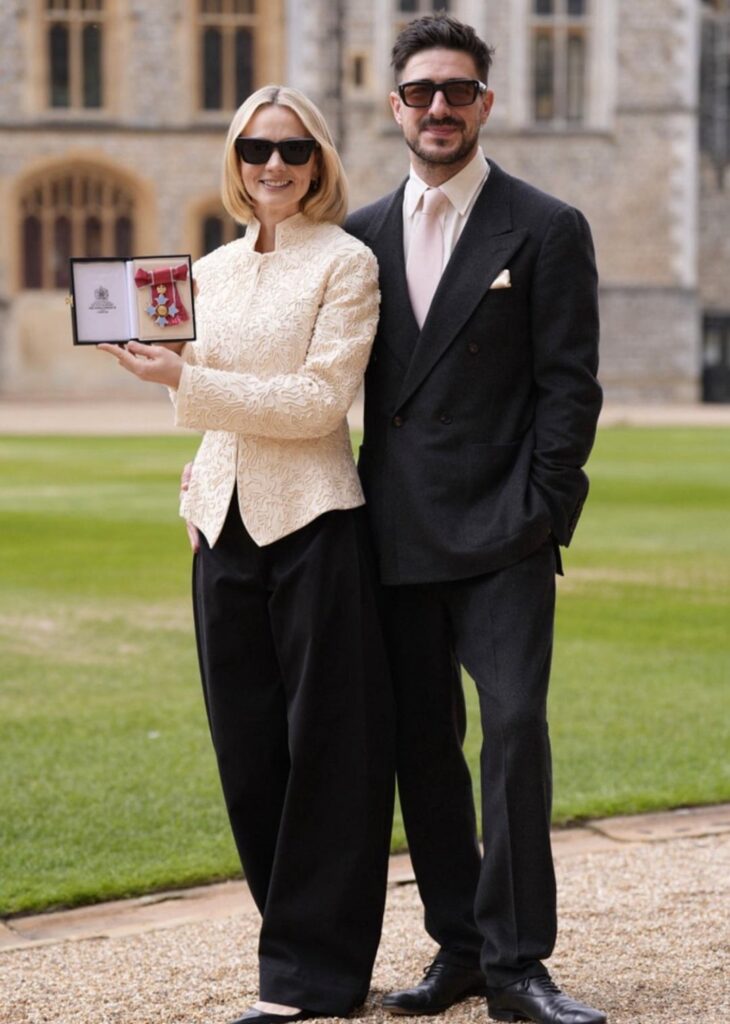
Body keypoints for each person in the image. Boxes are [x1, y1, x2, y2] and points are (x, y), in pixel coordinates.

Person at [99, 84, 395, 1024]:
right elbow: (206, 403)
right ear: (235, 158)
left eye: (294, 150)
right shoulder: (209, 272)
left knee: (332, 756)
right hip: (221, 529)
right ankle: (298, 953)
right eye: (258, 148)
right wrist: (192, 474)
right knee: (247, 751)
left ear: (319, 164)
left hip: (314, 520)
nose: (275, 164)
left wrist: (186, 380)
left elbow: (317, 406)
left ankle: (314, 981)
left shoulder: (348, 265)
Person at [346, 14, 605, 1024]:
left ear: (483, 104)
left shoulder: (545, 225)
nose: (439, 108)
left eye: (456, 91)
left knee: (514, 734)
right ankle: (458, 945)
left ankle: (517, 964)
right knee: (422, 748)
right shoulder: (357, 234)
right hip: (393, 532)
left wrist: (540, 510)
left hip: (503, 531)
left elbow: (568, 389)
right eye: (421, 92)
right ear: (396, 104)